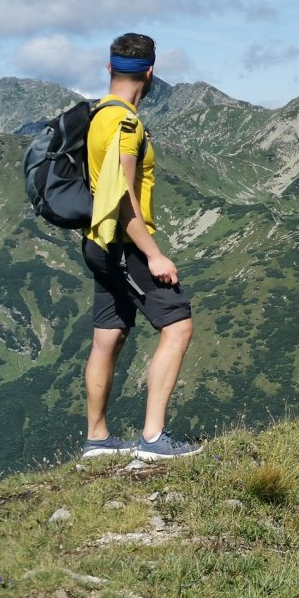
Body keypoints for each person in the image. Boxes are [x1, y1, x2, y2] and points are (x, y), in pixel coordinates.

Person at [79, 33, 200, 461]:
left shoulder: (98, 115)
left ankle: (97, 439)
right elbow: (122, 195)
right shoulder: (127, 124)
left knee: (108, 336)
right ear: (150, 72)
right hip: (124, 242)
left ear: (109, 67)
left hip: (96, 240)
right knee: (178, 324)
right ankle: (153, 440)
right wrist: (153, 253)